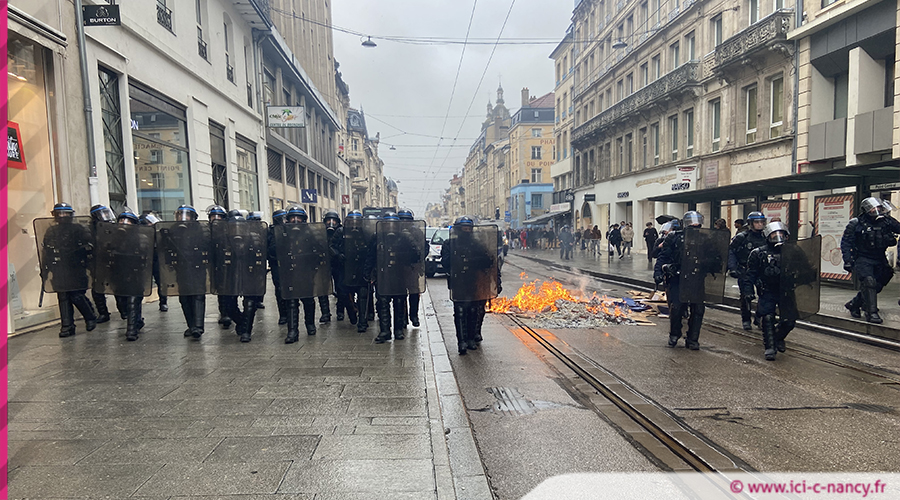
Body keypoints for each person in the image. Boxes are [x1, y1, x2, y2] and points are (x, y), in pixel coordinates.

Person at [745, 222, 806, 360]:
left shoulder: (794, 251)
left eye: (781, 234)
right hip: (767, 290)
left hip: (786, 290)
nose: (778, 237)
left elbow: (805, 267)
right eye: (774, 234)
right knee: (767, 318)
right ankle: (770, 348)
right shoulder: (758, 253)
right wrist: (748, 291)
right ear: (768, 236)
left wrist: (806, 276)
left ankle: (778, 337)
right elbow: (750, 274)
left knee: (790, 321)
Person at [441, 216, 501, 355]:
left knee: (474, 311)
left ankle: (470, 338)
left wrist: (495, 280)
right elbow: (445, 263)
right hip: (458, 282)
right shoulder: (449, 244)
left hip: (475, 282)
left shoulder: (477, 244)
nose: (466, 231)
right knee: (460, 312)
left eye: (469, 228)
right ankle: (461, 342)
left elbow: (488, 262)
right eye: (464, 229)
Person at [39, 202, 98, 337]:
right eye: (59, 214)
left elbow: (90, 248)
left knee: (77, 295)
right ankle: (67, 326)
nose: (62, 216)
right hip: (59, 268)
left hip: (76, 267)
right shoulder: (51, 231)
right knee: (63, 296)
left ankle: (90, 317)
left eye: (65, 213)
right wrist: (45, 269)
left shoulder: (79, 229)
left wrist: (89, 265)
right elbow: (47, 251)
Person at [841, 197, 900, 324]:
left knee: (884, 277)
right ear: (866, 210)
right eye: (873, 208)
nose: (876, 210)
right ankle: (871, 312)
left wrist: (889, 220)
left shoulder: (885, 221)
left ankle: (855, 303)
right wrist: (847, 260)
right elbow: (846, 242)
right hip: (863, 258)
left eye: (878, 207)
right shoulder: (856, 223)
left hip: (879, 257)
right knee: (869, 281)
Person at [654, 211, 707, 350]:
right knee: (677, 308)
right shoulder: (674, 237)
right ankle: (674, 334)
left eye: (697, 223)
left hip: (696, 278)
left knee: (698, 309)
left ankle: (693, 339)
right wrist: (659, 272)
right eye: (691, 222)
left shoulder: (704, 239)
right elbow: (663, 256)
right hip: (678, 277)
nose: (695, 225)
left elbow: (715, 257)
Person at [282, 205, 319, 342]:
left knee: (308, 300)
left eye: (298, 218)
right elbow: (274, 250)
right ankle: (292, 331)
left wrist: (311, 264)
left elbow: (318, 251)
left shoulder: (310, 234)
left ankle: (310, 324)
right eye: (293, 218)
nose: (295, 220)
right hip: (290, 272)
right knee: (291, 301)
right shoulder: (283, 234)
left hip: (305, 272)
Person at [728, 211, 767, 330]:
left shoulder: (766, 237)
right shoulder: (742, 237)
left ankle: (759, 317)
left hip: (762, 271)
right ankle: (746, 319)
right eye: (757, 222)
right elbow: (731, 252)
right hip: (745, 269)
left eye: (761, 222)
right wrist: (733, 268)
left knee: (765, 295)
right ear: (751, 223)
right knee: (746, 296)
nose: (759, 225)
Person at [113, 208, 146, 341]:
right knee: (121, 302)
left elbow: (146, 254)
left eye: (128, 221)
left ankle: (131, 330)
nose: (124, 223)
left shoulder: (141, 238)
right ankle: (137, 321)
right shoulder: (113, 237)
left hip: (135, 273)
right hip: (118, 274)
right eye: (121, 220)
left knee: (133, 300)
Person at [88, 204, 116, 323]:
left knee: (119, 286)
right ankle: (103, 313)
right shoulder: (90, 229)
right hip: (98, 261)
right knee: (97, 288)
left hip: (114, 260)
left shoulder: (113, 227)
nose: (105, 216)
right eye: (102, 214)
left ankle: (124, 310)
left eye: (106, 213)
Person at [207, 205, 233, 329]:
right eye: (213, 216)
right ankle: (223, 312)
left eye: (219, 217)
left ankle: (227, 313)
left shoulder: (229, 230)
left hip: (227, 262)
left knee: (227, 288)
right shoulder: (207, 230)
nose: (216, 219)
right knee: (219, 289)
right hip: (214, 263)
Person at [267, 209, 288, 325]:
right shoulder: (270, 232)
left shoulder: (291, 229)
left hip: (289, 262)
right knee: (279, 289)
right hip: (276, 263)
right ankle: (283, 314)